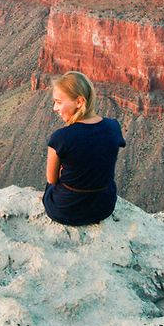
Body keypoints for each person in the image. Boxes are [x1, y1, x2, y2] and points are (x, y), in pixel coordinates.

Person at [42, 71, 126, 226]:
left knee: (51, 186)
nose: (55, 108)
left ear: (79, 101)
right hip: (103, 206)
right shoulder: (114, 126)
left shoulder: (60, 138)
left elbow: (52, 179)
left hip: (65, 210)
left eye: (59, 102)